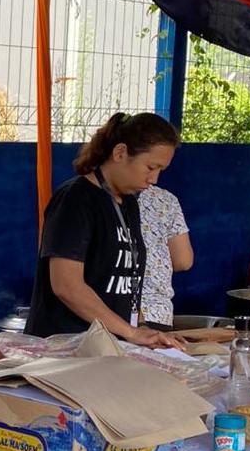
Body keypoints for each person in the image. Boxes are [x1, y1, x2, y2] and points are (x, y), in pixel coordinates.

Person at [24, 112, 182, 348]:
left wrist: (140, 328)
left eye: (161, 170)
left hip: (108, 347)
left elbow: (125, 283)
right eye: (150, 167)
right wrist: (130, 332)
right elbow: (66, 286)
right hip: (65, 348)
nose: (154, 179)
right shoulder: (75, 198)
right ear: (120, 153)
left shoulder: (129, 203)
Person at [138, 185, 193, 330]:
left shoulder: (93, 196)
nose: (153, 179)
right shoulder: (164, 199)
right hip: (157, 313)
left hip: (104, 315)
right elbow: (183, 261)